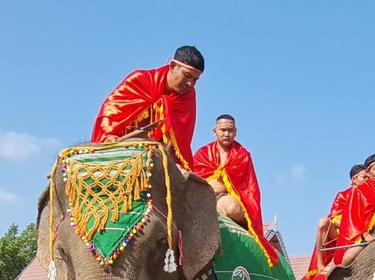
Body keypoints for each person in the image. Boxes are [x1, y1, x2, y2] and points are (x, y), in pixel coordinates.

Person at [91, 45, 204, 170]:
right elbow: (110, 111)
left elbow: (182, 137)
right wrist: (108, 136)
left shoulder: (188, 96)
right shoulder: (140, 79)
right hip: (123, 148)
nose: (190, 84)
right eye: (187, 75)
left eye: (195, 80)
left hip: (159, 157)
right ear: (172, 66)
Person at [192, 114, 278, 265]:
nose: (226, 134)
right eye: (223, 130)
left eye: (230, 130)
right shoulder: (202, 153)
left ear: (236, 132)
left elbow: (249, 188)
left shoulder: (242, 155)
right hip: (203, 196)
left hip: (226, 198)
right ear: (215, 131)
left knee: (232, 209)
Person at [308, 164, 370, 276]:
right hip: (344, 232)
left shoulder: (371, 196)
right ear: (354, 179)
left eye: (368, 177)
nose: (367, 180)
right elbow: (334, 218)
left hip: (366, 233)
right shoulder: (343, 195)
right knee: (323, 222)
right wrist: (351, 227)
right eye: (364, 177)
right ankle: (320, 265)